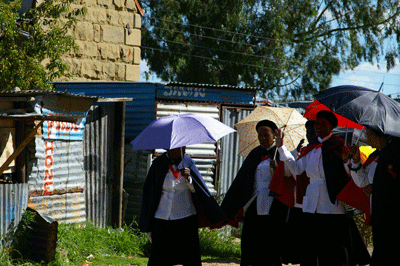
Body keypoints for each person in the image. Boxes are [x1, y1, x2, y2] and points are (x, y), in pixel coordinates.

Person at [275, 110, 370, 266]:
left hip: (332, 205)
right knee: (311, 246)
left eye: (322, 124)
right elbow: (297, 169)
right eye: (316, 123)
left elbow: (349, 173)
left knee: (333, 248)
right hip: (311, 204)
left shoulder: (340, 146)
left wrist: (349, 160)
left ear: (331, 127)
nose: (318, 127)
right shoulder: (311, 148)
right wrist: (281, 149)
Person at [220, 119, 294, 266]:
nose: (262, 139)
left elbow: (291, 174)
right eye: (259, 135)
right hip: (254, 200)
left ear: (275, 135)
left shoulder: (281, 153)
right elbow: (243, 179)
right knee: (250, 238)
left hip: (274, 203)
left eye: (266, 135)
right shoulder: (255, 153)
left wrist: (277, 169)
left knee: (271, 241)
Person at [139, 146, 227, 266]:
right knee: (159, 257)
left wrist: (189, 179)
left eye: (184, 146)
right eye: (178, 147)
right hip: (162, 217)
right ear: (169, 148)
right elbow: (150, 192)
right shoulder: (158, 164)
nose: (182, 149)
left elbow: (198, 190)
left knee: (190, 257)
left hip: (185, 217)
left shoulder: (188, 163)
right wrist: (148, 226)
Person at [346, 128, 400, 265]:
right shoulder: (375, 156)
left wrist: (375, 189)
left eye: (369, 134)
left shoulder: (394, 154)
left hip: (391, 213)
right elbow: (363, 183)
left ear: (379, 136)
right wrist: (356, 162)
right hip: (377, 210)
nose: (366, 137)